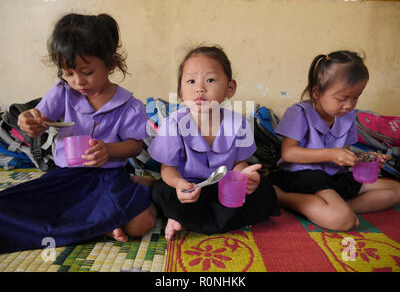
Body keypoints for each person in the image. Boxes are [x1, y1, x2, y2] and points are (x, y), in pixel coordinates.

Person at [0, 13, 156, 253]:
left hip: (107, 179)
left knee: (141, 223)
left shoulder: (129, 105)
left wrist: (109, 150)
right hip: (66, 177)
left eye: (87, 71)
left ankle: (130, 195)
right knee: (10, 207)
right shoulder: (63, 92)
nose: (78, 82)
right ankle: (102, 226)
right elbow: (39, 117)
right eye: (68, 73)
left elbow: (135, 146)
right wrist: (28, 120)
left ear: (111, 64)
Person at [148, 45, 280, 241]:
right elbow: (168, 169)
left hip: (224, 188)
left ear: (230, 88)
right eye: (191, 81)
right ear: (180, 91)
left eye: (210, 80)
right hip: (189, 189)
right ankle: (176, 216)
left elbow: (239, 164)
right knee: (161, 190)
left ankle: (184, 220)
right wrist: (179, 184)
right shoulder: (173, 124)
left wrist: (244, 177)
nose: (199, 88)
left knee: (263, 187)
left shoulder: (238, 123)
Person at [268, 51, 400, 231]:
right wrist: (331, 153)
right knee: (343, 221)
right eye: (342, 98)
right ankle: (280, 196)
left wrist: (365, 157)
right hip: (302, 175)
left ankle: (338, 208)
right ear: (316, 92)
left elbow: (343, 153)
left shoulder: (347, 116)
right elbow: (288, 153)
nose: (349, 105)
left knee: (395, 190)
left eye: (356, 97)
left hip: (333, 175)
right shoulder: (299, 112)